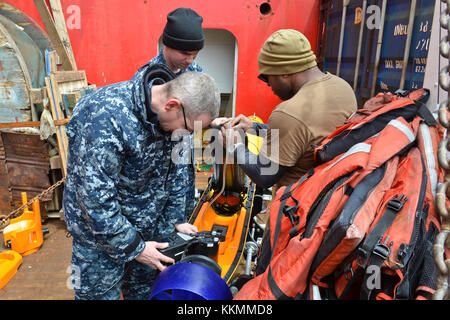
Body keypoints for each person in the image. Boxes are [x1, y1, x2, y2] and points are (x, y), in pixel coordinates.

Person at [63, 65, 220, 300]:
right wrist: (135, 247)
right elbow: (94, 200)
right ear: (172, 105)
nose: (188, 135)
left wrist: (173, 222)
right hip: (100, 244)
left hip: (149, 236)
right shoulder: (105, 114)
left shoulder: (174, 122)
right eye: (188, 129)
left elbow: (174, 175)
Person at [221, 29, 358, 190]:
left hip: (294, 208)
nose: (269, 85)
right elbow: (305, 137)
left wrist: (235, 146)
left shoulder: (288, 113)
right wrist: (254, 127)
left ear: (284, 72)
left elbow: (264, 175)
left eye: (267, 78)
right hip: (333, 195)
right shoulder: (342, 87)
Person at [141, 7, 205, 218]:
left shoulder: (194, 71)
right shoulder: (148, 80)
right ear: (168, 45)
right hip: (157, 171)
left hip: (185, 161)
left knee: (185, 217)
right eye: (185, 54)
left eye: (195, 55)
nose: (190, 60)